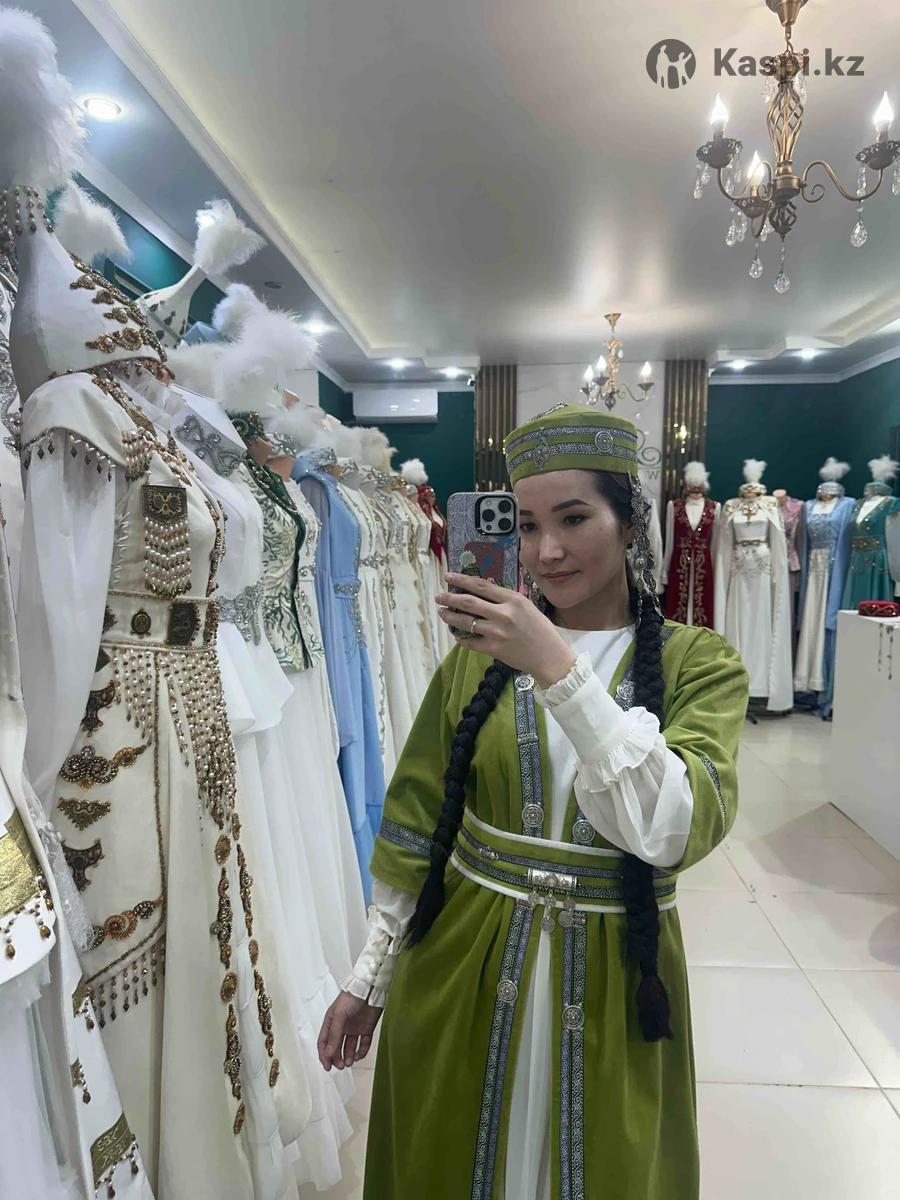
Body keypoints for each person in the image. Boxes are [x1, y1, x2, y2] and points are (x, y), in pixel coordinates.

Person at [318, 405, 749, 1199]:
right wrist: (370, 975)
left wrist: (556, 664)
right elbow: (418, 820)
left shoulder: (702, 665)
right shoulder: (474, 659)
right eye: (525, 526)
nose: (546, 551)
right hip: (463, 967)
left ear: (630, 524)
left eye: (574, 519)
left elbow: (673, 828)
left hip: (619, 983)